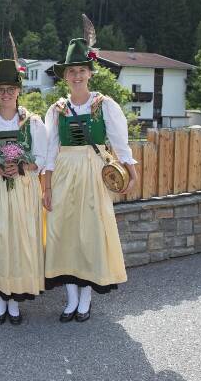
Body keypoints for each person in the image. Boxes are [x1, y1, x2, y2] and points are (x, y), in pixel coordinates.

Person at [42, 38, 138, 322]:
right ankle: (70, 298)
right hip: (64, 172)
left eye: (81, 70)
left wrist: (132, 172)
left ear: (90, 72)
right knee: (63, 233)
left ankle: (86, 298)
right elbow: (49, 151)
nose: (76, 75)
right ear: (65, 76)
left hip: (94, 172)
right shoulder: (57, 109)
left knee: (91, 233)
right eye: (71, 71)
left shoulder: (104, 104)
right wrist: (46, 187)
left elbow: (121, 144)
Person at [0, 59, 47, 325]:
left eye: (10, 89)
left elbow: (42, 158)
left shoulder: (33, 122)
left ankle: (14, 300)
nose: (6, 94)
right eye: (0, 89)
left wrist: (22, 165)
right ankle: (0, 299)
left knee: (19, 240)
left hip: (23, 189)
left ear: (18, 91)